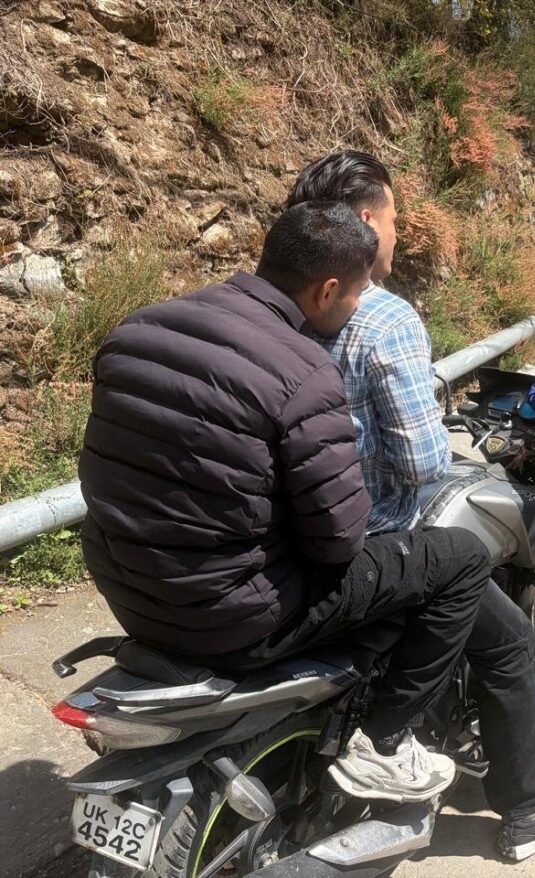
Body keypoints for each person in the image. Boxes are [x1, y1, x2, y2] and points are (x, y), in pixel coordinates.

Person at [79, 202, 468, 808]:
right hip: (234, 620)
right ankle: (386, 743)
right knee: (459, 559)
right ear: (328, 290)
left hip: (129, 593)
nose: (357, 307)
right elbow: (338, 540)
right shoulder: (305, 371)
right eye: (357, 294)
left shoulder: (139, 329)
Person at [284, 150, 535, 862]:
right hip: (377, 541)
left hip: (289, 537)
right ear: (367, 221)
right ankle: (527, 813)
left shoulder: (282, 304)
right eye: (395, 216)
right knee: (508, 641)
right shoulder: (383, 317)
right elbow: (423, 464)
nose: (399, 231)